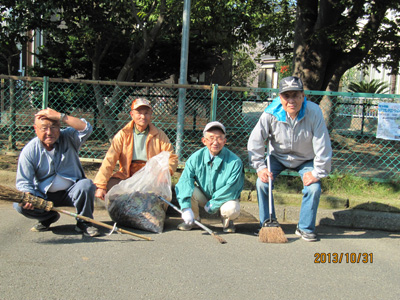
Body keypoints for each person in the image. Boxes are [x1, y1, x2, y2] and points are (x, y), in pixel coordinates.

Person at [247, 76, 332, 242]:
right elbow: (255, 141)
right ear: (280, 98)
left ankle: (305, 227)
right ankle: (267, 223)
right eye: (287, 96)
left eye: (295, 95)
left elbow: (323, 144)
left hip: (306, 159)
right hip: (278, 157)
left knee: (314, 188)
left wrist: (317, 172)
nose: (291, 100)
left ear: (303, 96)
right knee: (262, 183)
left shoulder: (314, 112)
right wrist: (260, 167)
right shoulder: (270, 113)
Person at [14, 108, 99, 237]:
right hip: (44, 195)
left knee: (86, 185)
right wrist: (28, 196)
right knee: (19, 205)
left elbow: (86, 128)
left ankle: (84, 222)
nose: (49, 132)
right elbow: (24, 182)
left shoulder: (68, 137)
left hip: (72, 192)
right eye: (44, 128)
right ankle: (48, 217)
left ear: (59, 127)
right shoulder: (29, 151)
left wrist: (61, 116)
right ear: (35, 129)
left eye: (54, 127)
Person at [94, 97, 178, 200]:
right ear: (132, 114)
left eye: (146, 113)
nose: (143, 116)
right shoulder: (123, 135)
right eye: (139, 113)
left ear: (151, 114)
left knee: (156, 195)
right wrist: (101, 186)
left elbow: (172, 158)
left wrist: (164, 173)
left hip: (150, 177)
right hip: (127, 175)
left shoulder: (160, 135)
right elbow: (109, 160)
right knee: (110, 186)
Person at [175, 121, 244, 233]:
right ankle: (194, 220)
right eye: (211, 138)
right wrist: (185, 207)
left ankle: (227, 222)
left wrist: (214, 203)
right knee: (189, 190)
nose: (215, 142)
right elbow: (185, 181)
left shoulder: (235, 161)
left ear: (225, 141)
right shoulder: (195, 158)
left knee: (232, 209)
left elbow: (232, 188)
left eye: (219, 138)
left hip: (225, 199)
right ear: (204, 141)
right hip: (204, 195)